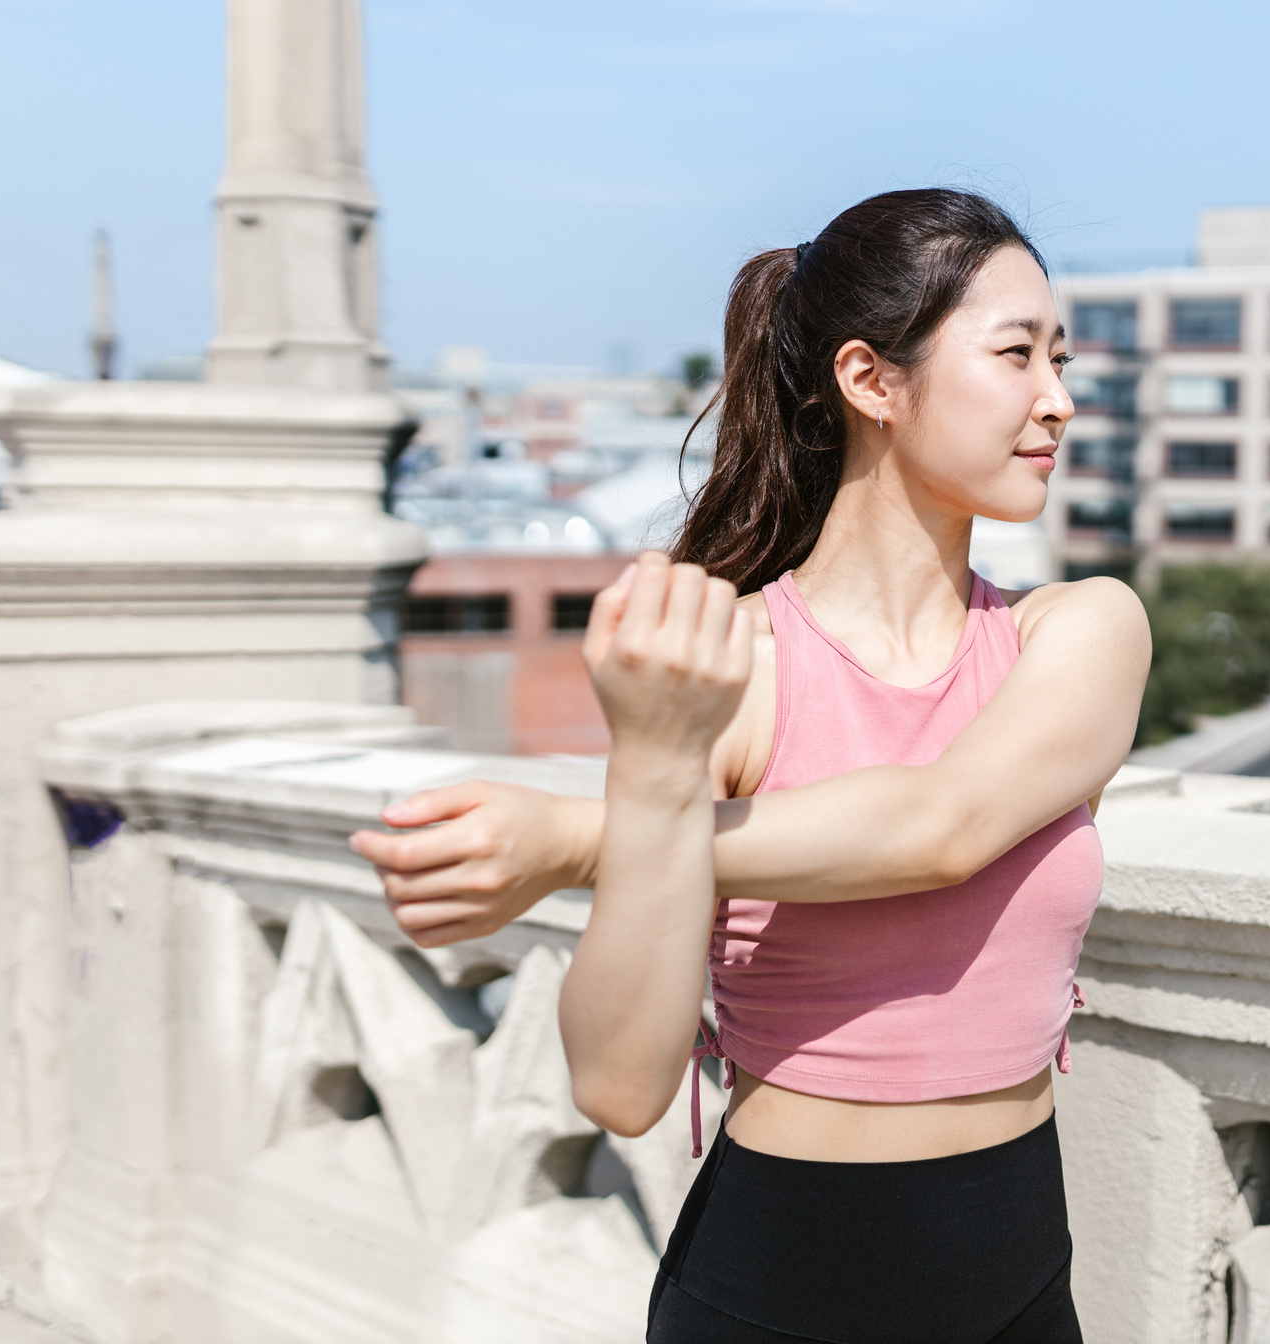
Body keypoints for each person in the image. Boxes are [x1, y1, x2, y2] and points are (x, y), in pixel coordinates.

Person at [351, 188, 1150, 1343]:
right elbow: (622, 1090)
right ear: (871, 380)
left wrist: (582, 839)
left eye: (1061, 359)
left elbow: (942, 828)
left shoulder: (1080, 631)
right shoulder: (727, 670)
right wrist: (662, 770)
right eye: (1017, 355)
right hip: (772, 1288)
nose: (1058, 401)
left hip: (1021, 1281)